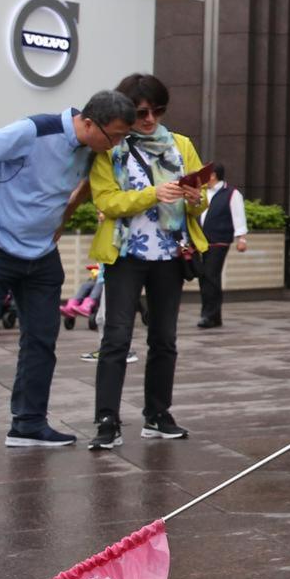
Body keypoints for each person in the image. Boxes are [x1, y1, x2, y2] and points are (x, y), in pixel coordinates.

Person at [0, 91, 134, 447]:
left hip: (42, 256)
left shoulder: (93, 149)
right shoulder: (32, 131)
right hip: (0, 249)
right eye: (115, 135)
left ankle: (27, 424)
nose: (117, 143)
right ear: (89, 123)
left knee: (42, 340)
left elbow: (81, 189)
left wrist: (63, 219)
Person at [87, 75, 209, 450]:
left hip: (171, 254)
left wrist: (192, 196)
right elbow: (107, 201)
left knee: (164, 339)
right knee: (116, 338)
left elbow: (201, 200)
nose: (150, 119)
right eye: (142, 112)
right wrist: (153, 194)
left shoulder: (181, 144)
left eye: (158, 111)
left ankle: (158, 415)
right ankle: (107, 420)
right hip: (126, 253)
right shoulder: (111, 147)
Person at [194, 162, 250, 329]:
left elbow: (238, 216)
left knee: (210, 276)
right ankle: (214, 315)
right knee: (205, 277)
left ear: (212, 175)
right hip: (201, 241)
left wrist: (241, 238)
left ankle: (209, 315)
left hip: (219, 241)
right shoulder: (203, 192)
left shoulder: (232, 193)